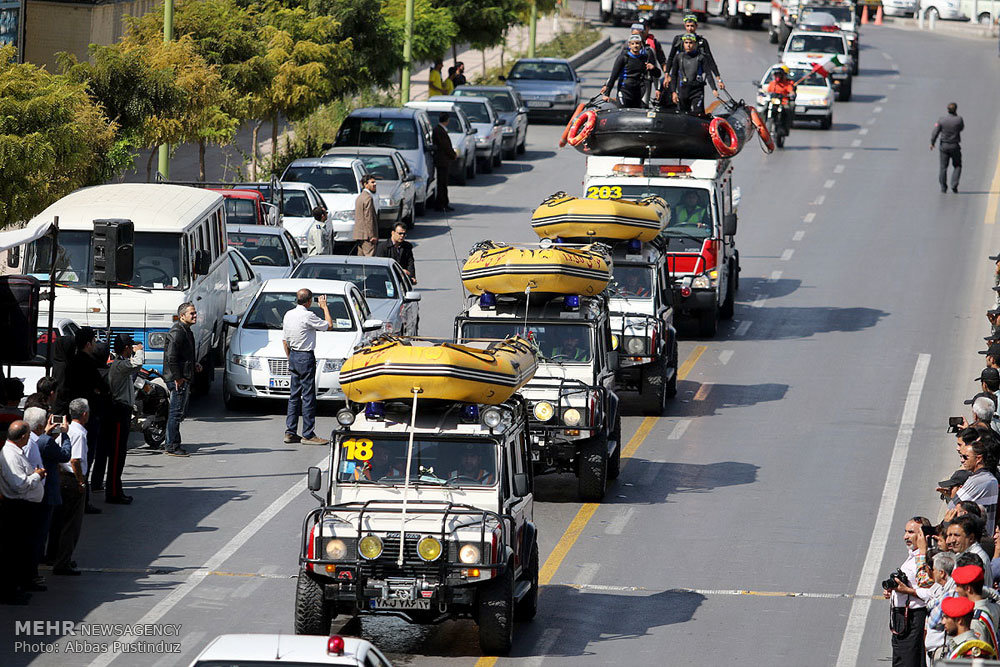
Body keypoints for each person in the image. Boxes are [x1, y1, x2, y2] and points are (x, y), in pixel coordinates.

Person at [23, 407, 69, 593]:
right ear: (42, 425)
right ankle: (31, 575)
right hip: (43, 494)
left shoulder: (26, 441)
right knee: (39, 536)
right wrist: (64, 435)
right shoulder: (44, 442)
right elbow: (65, 455)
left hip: (28, 495)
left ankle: (29, 573)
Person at [0, 421, 46, 603]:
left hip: (25, 507)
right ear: (23, 437)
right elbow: (18, 484)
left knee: (24, 548)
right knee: (13, 551)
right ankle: (10, 591)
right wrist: (37, 476)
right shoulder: (10, 456)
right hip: (17, 508)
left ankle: (21, 584)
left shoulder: (16, 453)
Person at [282, 289, 334, 446]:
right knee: (308, 397)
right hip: (305, 356)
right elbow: (329, 326)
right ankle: (308, 434)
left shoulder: (288, 314)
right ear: (309, 301)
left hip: (293, 355)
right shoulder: (308, 315)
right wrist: (324, 307)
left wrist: (290, 357)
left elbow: (285, 340)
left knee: (294, 396)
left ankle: (290, 432)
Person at [49, 398, 88, 576]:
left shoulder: (64, 429)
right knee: (71, 524)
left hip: (61, 477)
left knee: (59, 521)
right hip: (72, 479)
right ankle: (63, 561)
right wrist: (80, 481)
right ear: (85, 414)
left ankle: (55, 556)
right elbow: (75, 460)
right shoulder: (79, 434)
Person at [885, 517, 930, 667]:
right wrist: (894, 591)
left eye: (911, 532)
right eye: (905, 532)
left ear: (923, 536)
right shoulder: (913, 556)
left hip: (913, 617)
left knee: (909, 661)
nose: (906, 537)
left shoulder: (926, 560)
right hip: (901, 617)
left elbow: (929, 591)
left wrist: (907, 590)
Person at [106, 334, 143, 503]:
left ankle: (116, 489)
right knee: (117, 453)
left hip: (124, 409)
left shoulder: (120, 363)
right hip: (119, 410)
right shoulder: (119, 365)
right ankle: (113, 491)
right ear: (127, 348)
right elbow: (137, 363)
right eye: (131, 347)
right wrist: (139, 351)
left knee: (120, 453)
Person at [163, 302, 200, 457]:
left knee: (178, 413)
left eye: (195, 312)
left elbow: (184, 355)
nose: (195, 315)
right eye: (191, 313)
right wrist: (178, 378)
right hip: (178, 379)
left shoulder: (186, 331)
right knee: (175, 413)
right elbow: (171, 358)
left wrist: (194, 365)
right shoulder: (177, 332)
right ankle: (172, 446)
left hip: (183, 376)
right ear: (182, 316)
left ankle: (174, 443)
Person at [952, 437, 999, 535]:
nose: (962, 460)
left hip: (975, 537)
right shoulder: (989, 478)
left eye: (965, 457)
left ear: (978, 458)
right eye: (961, 456)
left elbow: (952, 508)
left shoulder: (978, 481)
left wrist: (953, 494)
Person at [664, 14, 722, 91]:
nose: (690, 28)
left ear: (696, 26)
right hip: (682, 76)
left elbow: (710, 60)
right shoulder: (678, 40)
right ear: (685, 26)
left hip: (697, 77)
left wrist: (718, 79)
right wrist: (666, 75)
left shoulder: (702, 41)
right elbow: (671, 57)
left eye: (692, 26)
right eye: (687, 26)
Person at [601, 34, 659, 109]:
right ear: (629, 45)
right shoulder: (623, 58)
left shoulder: (645, 58)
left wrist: (653, 68)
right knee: (622, 111)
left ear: (641, 44)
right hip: (624, 91)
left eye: (637, 43)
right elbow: (613, 76)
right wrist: (606, 94)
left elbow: (657, 74)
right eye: (633, 43)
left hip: (638, 92)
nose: (635, 46)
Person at [668, 34, 719, 117]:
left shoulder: (701, 57)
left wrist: (714, 89)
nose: (688, 45)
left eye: (691, 43)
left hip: (697, 91)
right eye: (686, 42)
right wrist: (673, 92)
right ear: (683, 44)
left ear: (695, 44)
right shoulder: (678, 57)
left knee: (699, 114)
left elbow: (708, 74)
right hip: (683, 91)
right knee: (683, 115)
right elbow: (673, 75)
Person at [953, 564, 1000, 651]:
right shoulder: (994, 606)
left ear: (968, 588)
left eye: (958, 586)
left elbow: (979, 653)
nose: (956, 590)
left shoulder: (975, 619)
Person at [945, 515, 994, 588]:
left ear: (971, 538)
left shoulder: (975, 559)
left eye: (956, 535)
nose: (952, 540)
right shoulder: (961, 554)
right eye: (950, 535)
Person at [930, 102, 964, 193]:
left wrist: (932, 143)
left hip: (944, 146)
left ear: (947, 110)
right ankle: (954, 184)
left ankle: (943, 187)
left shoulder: (941, 120)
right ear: (956, 110)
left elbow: (935, 132)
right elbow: (961, 128)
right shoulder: (959, 119)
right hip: (954, 145)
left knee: (943, 167)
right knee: (957, 165)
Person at [432, 111, 457, 212]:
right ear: (447, 121)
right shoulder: (439, 130)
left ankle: (442, 203)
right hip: (442, 160)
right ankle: (442, 204)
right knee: (442, 183)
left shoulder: (439, 130)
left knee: (443, 183)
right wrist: (453, 155)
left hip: (442, 160)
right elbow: (445, 146)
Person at [765, 66, 797, 136]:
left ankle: (787, 125)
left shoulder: (787, 84)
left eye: (779, 75)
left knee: (788, 110)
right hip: (773, 102)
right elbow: (767, 91)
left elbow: (791, 91)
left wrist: (791, 95)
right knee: (764, 108)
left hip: (783, 102)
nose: (777, 77)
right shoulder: (772, 83)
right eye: (776, 75)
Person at [354, 175, 379, 257]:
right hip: (367, 236)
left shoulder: (360, 197)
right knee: (369, 260)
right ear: (365, 184)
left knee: (360, 261)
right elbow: (369, 218)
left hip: (360, 235)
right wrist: (372, 236)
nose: (375, 184)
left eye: (375, 182)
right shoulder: (368, 198)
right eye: (372, 182)